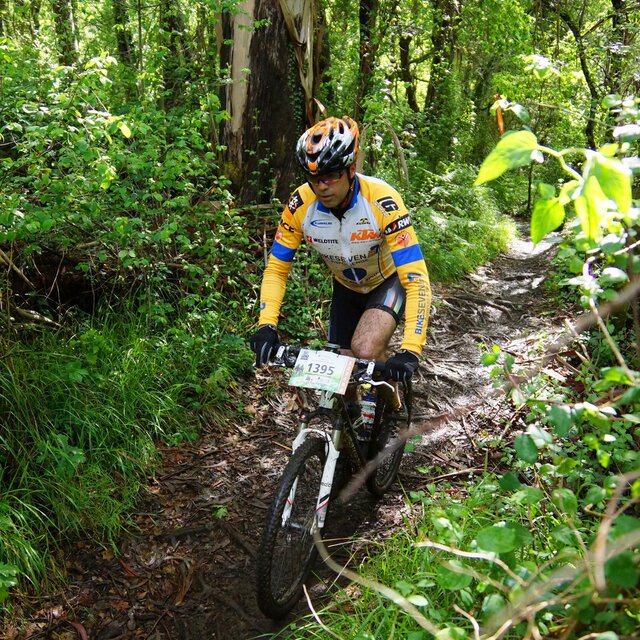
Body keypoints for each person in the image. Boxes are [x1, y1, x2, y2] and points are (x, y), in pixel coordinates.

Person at [249, 115, 431, 383]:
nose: (322, 186)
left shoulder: (382, 201)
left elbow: (416, 279)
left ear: (351, 168)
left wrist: (410, 350)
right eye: (314, 177)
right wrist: (266, 325)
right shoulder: (300, 205)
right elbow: (277, 269)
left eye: (331, 175)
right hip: (346, 288)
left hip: (388, 283)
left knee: (365, 349)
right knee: (341, 377)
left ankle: (390, 398)